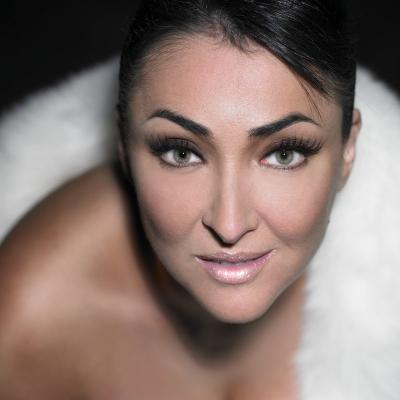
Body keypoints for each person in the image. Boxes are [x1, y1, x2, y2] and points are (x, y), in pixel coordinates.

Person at [1, 0, 399, 399]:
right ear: (124, 146)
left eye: (284, 154)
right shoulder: (26, 322)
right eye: (181, 153)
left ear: (348, 150)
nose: (229, 226)